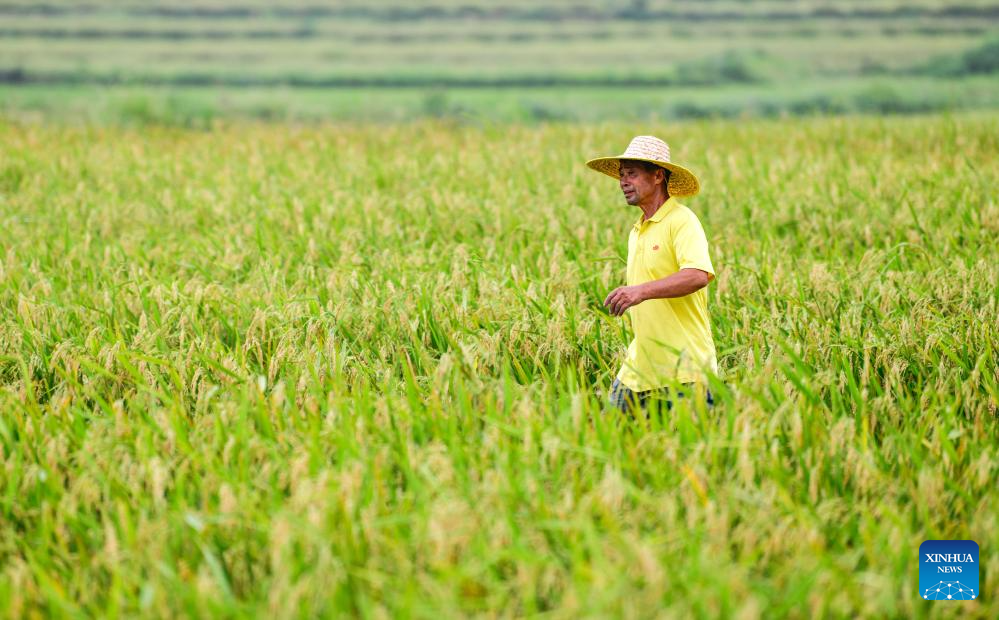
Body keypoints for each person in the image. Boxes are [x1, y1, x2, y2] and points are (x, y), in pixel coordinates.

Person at [586, 136, 717, 416]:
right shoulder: (637, 230)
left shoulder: (682, 221)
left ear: (658, 176)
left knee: (686, 442)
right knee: (607, 432)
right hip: (639, 367)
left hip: (684, 369)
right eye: (621, 175)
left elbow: (697, 275)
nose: (623, 182)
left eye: (631, 174)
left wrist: (639, 291)